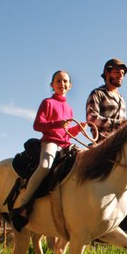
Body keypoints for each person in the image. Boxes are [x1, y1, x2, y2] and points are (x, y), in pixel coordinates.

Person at [11, 70, 86, 231]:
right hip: (50, 142)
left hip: (65, 145)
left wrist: (78, 130)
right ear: (52, 85)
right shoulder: (47, 102)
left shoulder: (69, 108)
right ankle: (24, 204)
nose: (62, 84)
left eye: (65, 81)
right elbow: (37, 125)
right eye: (58, 81)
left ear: (70, 86)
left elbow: (66, 133)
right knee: (45, 166)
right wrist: (58, 124)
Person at [85, 58, 127, 141]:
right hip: (102, 144)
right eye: (116, 72)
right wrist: (119, 123)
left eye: (122, 73)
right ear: (107, 73)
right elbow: (91, 119)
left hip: (120, 141)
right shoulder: (97, 93)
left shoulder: (121, 99)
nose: (120, 76)